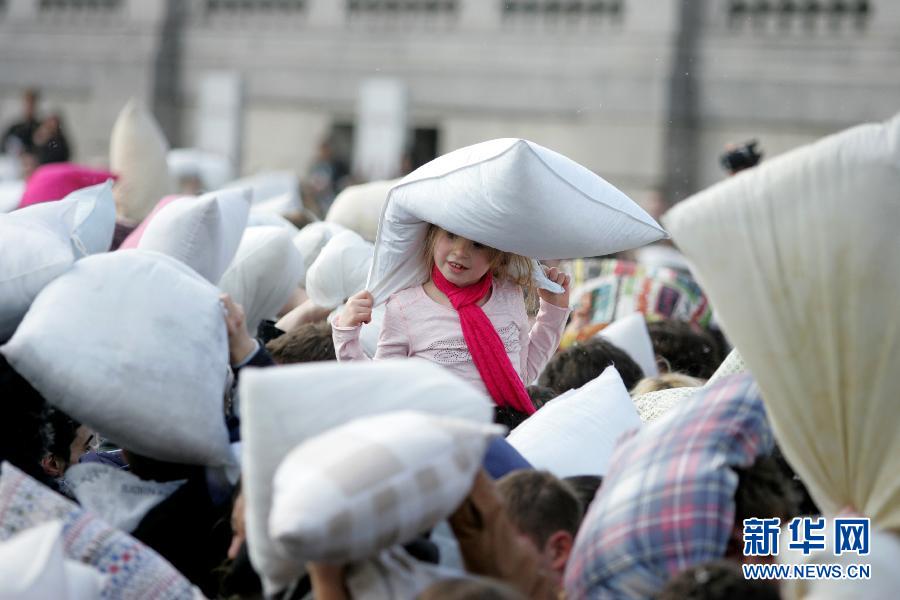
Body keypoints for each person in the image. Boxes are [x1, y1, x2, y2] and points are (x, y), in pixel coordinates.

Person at [333, 224, 571, 415]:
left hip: (505, 430)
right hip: (439, 436)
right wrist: (346, 333)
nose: (460, 251)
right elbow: (382, 387)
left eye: (478, 244)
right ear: (432, 237)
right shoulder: (404, 306)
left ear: (497, 256)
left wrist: (554, 310)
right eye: (451, 235)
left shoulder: (509, 295)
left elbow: (523, 374)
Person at [2, 88, 40, 155]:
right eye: (27, 103)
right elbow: (4, 147)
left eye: (31, 104)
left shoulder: (41, 128)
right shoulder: (14, 128)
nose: (29, 107)